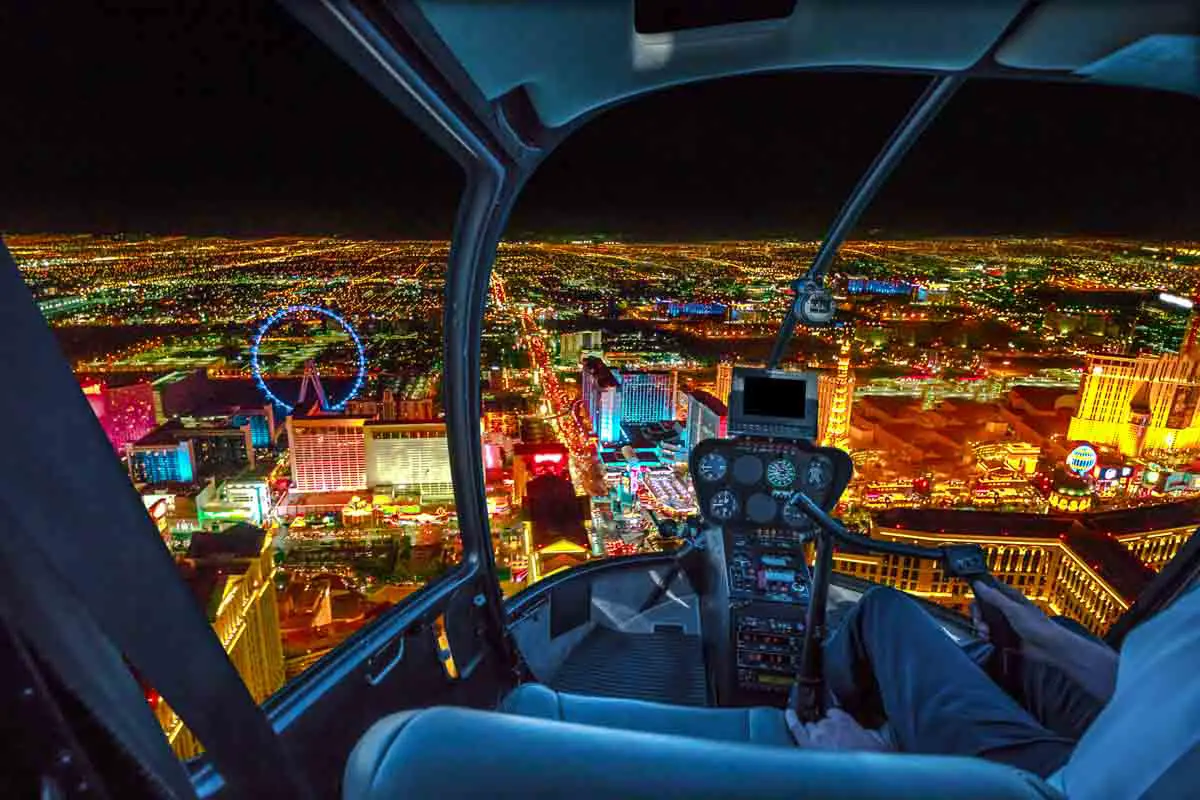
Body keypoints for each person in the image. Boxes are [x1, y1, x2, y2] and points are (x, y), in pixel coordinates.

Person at [785, 581, 1200, 798]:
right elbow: (1166, 689)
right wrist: (1046, 640)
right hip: (1126, 743)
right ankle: (910, 721)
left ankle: (808, 720)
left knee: (884, 612)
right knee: (1047, 646)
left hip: (1056, 786)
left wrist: (880, 774)